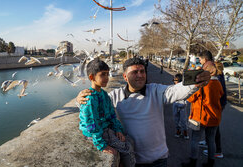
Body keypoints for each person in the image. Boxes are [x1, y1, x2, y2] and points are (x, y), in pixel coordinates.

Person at [76, 57, 211, 167]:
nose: (140, 75)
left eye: (142, 71)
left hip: (158, 160)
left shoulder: (155, 90)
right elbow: (94, 110)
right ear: (125, 76)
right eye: (135, 72)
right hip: (133, 160)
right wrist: (79, 100)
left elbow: (175, 91)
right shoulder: (114, 96)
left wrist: (194, 83)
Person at [79, 58, 135, 167]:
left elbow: (111, 115)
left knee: (129, 139)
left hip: (105, 127)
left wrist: (117, 129)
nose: (107, 78)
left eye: (107, 74)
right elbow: (91, 125)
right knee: (127, 148)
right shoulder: (89, 99)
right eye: (102, 75)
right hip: (96, 133)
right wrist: (102, 145)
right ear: (91, 77)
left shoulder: (104, 94)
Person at [182, 51, 224, 167]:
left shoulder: (203, 83)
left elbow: (191, 99)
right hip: (214, 116)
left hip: (200, 116)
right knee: (211, 140)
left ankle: (193, 162)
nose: (199, 62)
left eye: (200, 60)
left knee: (195, 139)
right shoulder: (217, 82)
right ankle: (211, 162)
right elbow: (221, 95)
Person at [200, 60, 227, 159]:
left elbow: (217, 93)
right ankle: (209, 143)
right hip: (220, 103)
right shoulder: (219, 76)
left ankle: (217, 151)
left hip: (218, 104)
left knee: (215, 128)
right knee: (212, 126)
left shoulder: (217, 78)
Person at [172, 73, 189, 139]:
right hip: (175, 104)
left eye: (175, 80)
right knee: (176, 119)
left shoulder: (184, 87)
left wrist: (185, 103)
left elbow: (187, 96)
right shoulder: (173, 87)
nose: (174, 81)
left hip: (182, 106)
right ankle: (178, 130)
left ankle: (185, 131)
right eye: (174, 80)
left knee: (183, 119)